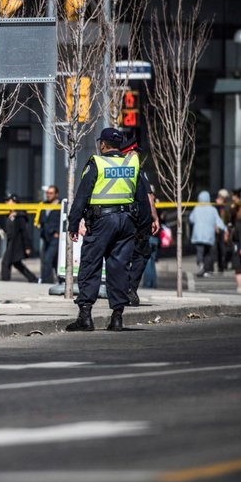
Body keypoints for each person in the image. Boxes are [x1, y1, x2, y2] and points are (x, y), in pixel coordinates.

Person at [65, 127, 150, 332]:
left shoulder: (98, 163)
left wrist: (73, 223)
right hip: (126, 221)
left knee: (90, 264)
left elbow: (82, 196)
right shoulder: (131, 164)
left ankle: (85, 316)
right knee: (119, 267)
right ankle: (117, 317)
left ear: (103, 144)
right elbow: (142, 199)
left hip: (101, 221)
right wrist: (143, 227)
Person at [120, 140, 160, 306]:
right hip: (139, 221)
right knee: (141, 255)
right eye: (136, 152)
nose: (138, 156)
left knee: (121, 255)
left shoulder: (117, 171)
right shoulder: (139, 172)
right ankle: (129, 288)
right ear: (129, 153)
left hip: (122, 219)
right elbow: (149, 197)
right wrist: (154, 217)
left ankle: (122, 290)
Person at [0, 194, 38, 282]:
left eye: (8, 201)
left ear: (15, 202)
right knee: (16, 263)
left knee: (5, 262)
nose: (6, 203)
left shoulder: (20, 216)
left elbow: (25, 232)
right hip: (11, 243)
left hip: (17, 244)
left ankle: (5, 281)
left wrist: (27, 247)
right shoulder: (9, 214)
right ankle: (33, 279)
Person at [190, 190, 225, 277]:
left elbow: (191, 219)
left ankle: (201, 264)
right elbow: (218, 221)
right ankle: (206, 269)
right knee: (208, 253)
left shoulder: (196, 208)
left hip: (198, 235)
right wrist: (225, 229)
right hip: (209, 235)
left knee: (200, 251)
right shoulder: (213, 209)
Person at [38, 185, 61, 283]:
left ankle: (46, 282)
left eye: (51, 193)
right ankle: (62, 280)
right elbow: (41, 218)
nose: (48, 195)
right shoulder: (43, 204)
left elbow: (64, 220)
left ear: (56, 194)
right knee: (53, 261)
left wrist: (58, 233)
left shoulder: (61, 205)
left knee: (48, 259)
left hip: (55, 237)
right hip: (46, 236)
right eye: (47, 193)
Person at [211, 188, 232, 273]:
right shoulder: (215, 205)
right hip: (216, 229)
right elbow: (213, 216)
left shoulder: (226, 206)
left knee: (223, 248)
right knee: (215, 248)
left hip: (224, 229)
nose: (224, 199)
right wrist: (215, 226)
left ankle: (222, 265)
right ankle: (216, 266)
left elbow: (227, 218)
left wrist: (227, 230)